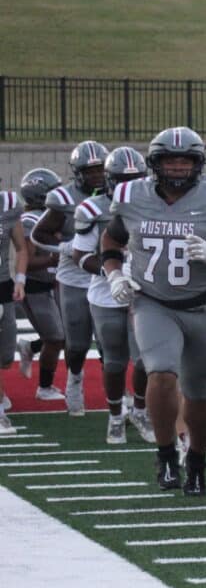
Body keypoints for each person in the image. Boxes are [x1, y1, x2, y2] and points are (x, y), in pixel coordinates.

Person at [101, 127, 206, 496]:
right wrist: (114, 273)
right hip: (153, 302)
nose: (178, 167)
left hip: (205, 305)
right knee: (161, 373)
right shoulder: (131, 195)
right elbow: (112, 238)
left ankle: (196, 460)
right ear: (155, 163)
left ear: (199, 163)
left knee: (197, 391)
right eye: (170, 160)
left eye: (185, 160)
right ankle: (165, 454)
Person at [72, 148, 154, 446]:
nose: (129, 186)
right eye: (122, 180)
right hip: (106, 294)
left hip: (144, 293)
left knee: (146, 360)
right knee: (115, 362)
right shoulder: (92, 209)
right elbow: (80, 255)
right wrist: (113, 274)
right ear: (110, 181)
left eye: (135, 179)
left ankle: (140, 410)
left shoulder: (155, 205)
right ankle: (116, 415)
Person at [33, 141, 109, 417]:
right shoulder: (64, 199)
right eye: (90, 171)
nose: (96, 175)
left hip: (106, 275)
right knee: (76, 344)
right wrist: (66, 247)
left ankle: (115, 395)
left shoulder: (118, 195)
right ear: (78, 173)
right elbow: (38, 234)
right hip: (75, 277)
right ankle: (75, 379)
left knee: (109, 342)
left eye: (100, 169)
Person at [18, 168, 66, 403]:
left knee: (65, 336)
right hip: (36, 287)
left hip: (54, 285)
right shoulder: (30, 221)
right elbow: (27, 261)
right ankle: (44, 388)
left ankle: (31, 347)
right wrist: (54, 259)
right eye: (53, 191)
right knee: (56, 338)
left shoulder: (52, 216)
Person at [0, 180, 29, 434]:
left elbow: (21, 248)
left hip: (2, 285)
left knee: (6, 357)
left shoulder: (7, 204)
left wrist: (20, 280)